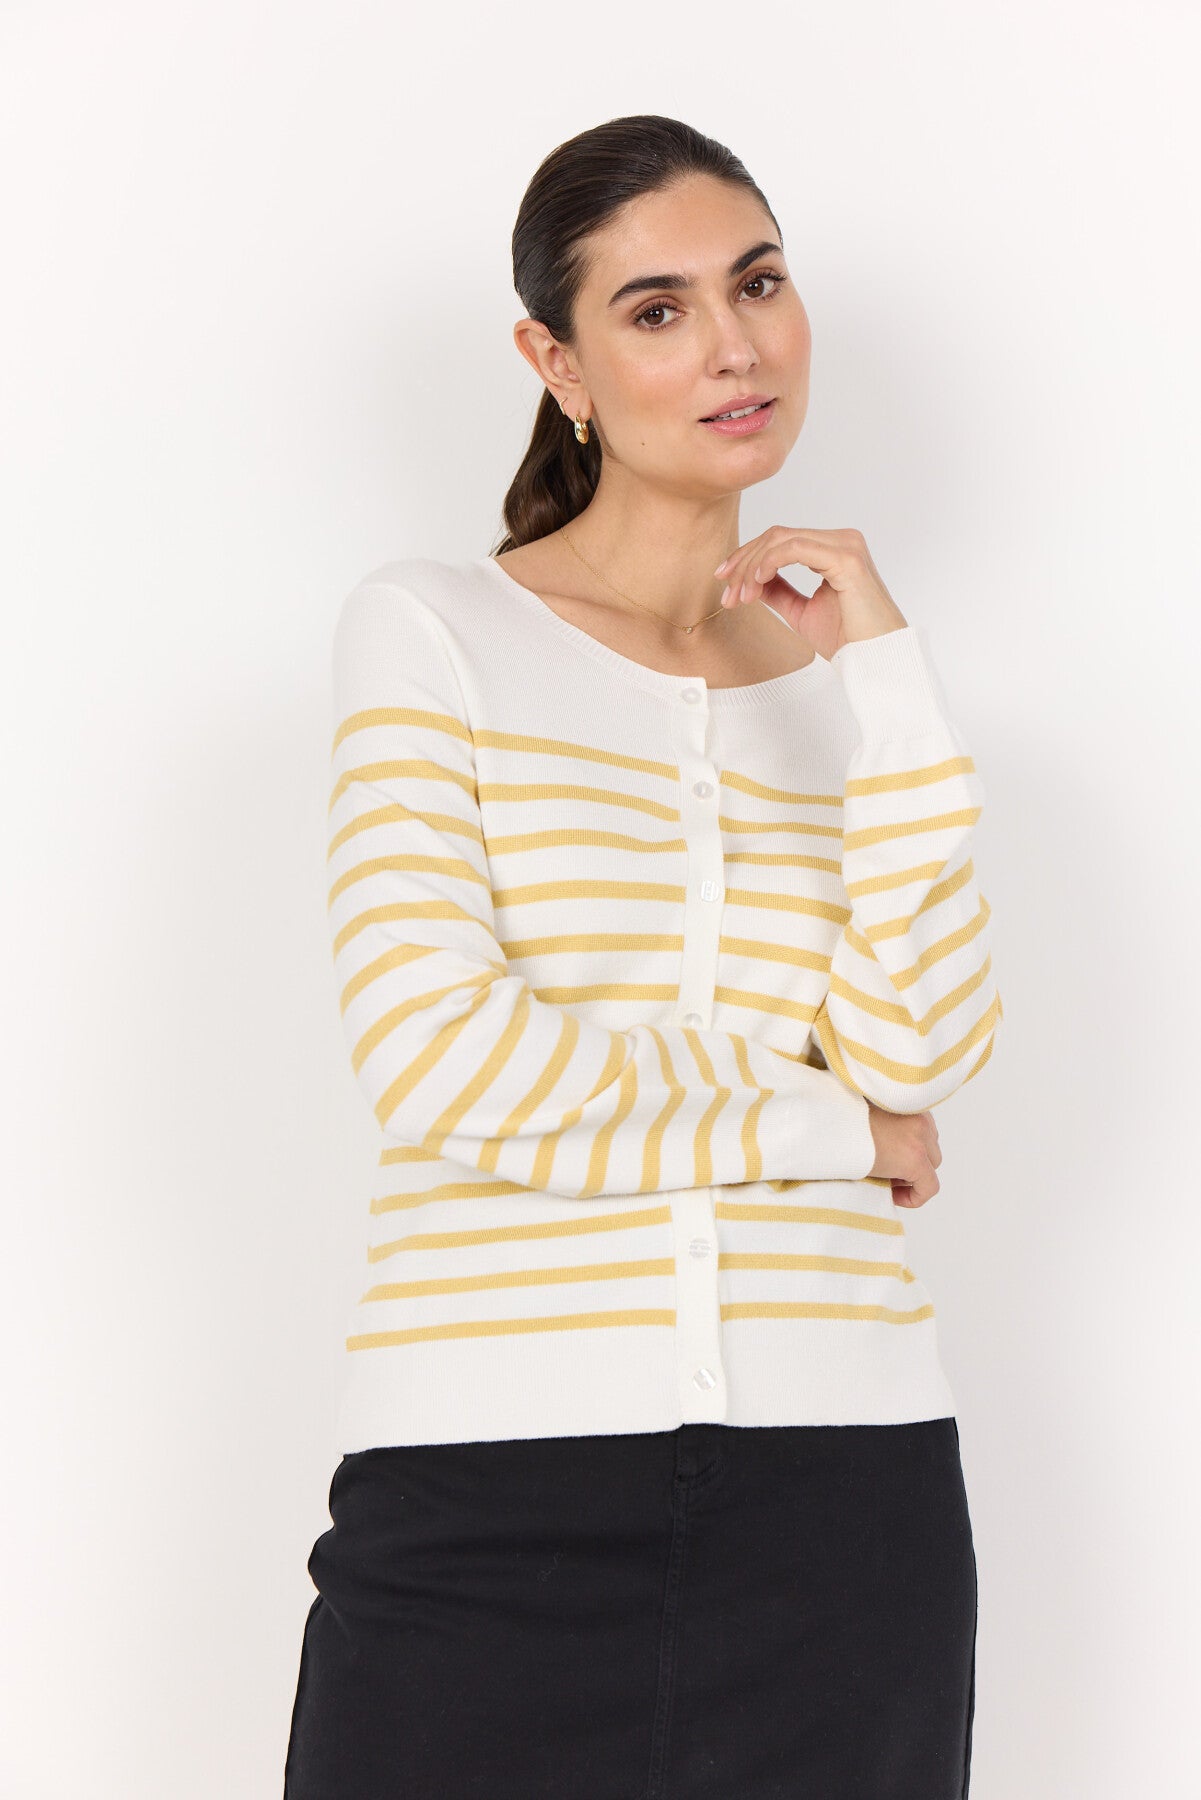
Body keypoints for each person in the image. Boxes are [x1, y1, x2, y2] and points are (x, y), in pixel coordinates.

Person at [283, 113, 1002, 1800]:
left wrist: (889, 682)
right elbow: (442, 1058)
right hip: (484, 1480)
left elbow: (919, 1051)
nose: (733, 345)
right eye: (657, 309)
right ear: (559, 364)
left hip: (847, 1490)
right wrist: (829, 1129)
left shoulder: (845, 693)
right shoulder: (433, 632)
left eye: (757, 283)